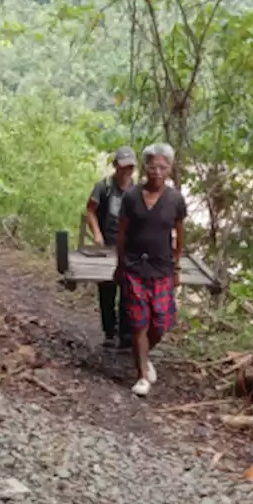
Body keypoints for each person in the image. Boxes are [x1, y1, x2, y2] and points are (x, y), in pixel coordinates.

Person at [114, 143, 187, 397]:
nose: (157, 171)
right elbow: (122, 232)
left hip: (162, 267)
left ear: (169, 168)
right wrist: (119, 265)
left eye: (162, 166)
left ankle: (146, 356)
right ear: (145, 167)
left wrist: (176, 265)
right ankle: (142, 374)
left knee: (161, 322)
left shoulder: (175, 199)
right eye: (152, 166)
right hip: (134, 266)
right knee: (138, 323)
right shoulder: (132, 197)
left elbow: (179, 233)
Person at [85, 147, 136, 349]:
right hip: (107, 244)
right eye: (123, 166)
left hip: (130, 247)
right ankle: (109, 332)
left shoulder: (137, 189)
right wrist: (97, 233)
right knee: (107, 290)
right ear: (116, 166)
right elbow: (90, 210)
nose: (127, 170)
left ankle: (125, 334)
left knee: (128, 290)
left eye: (130, 167)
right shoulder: (104, 186)